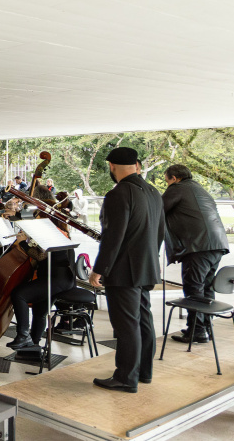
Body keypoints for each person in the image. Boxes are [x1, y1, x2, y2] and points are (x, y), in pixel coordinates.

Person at [89, 147, 165, 393]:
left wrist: (99, 269)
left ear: (111, 166)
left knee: (126, 325)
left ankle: (125, 377)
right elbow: (160, 232)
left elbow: (113, 237)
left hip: (124, 271)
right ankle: (144, 372)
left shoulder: (119, 193)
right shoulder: (153, 192)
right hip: (147, 266)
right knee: (143, 319)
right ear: (137, 165)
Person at [160, 164, 229, 343]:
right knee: (206, 287)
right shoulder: (199, 189)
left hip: (199, 245)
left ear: (174, 178)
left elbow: (157, 211)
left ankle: (197, 331)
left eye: (167, 181)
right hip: (217, 244)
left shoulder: (178, 189)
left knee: (193, 288)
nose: (168, 185)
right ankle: (205, 327)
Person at [6, 187, 77, 350]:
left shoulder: (54, 232)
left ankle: (23, 336)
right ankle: (33, 345)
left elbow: (41, 256)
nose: (35, 217)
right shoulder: (60, 230)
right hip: (59, 277)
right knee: (39, 311)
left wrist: (23, 243)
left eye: (37, 214)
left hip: (57, 278)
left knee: (19, 294)